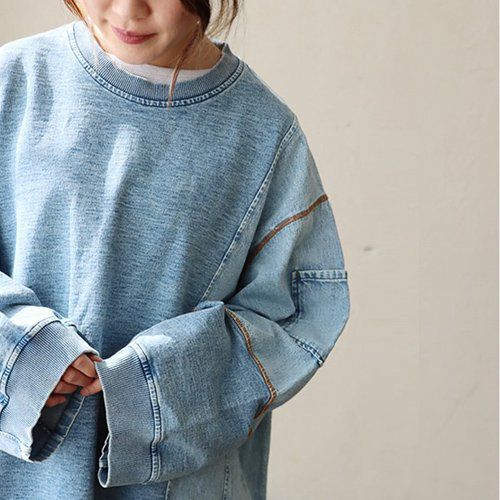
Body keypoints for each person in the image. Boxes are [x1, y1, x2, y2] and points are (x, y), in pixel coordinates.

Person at [0, 1, 351, 498]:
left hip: (176, 485)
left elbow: (298, 313)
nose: (129, 9)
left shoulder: (264, 132)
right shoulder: (16, 80)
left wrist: (152, 385)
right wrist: (21, 354)